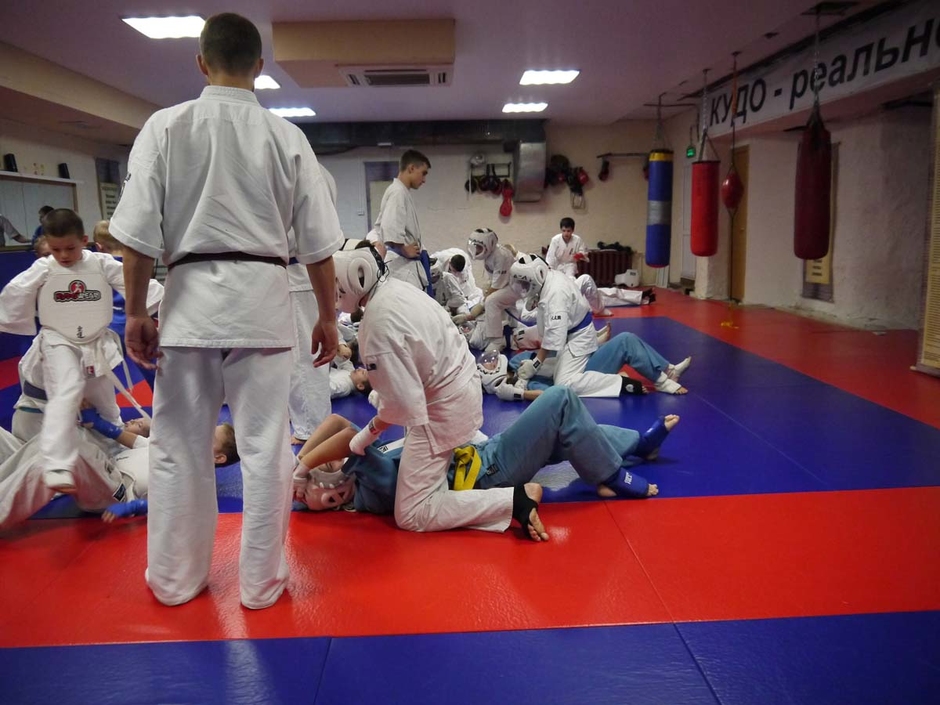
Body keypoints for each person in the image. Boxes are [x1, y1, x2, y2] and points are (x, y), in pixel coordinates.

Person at [108, 13, 343, 610]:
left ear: (201, 62)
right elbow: (318, 247)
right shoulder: (287, 138)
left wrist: (134, 312)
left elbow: (136, 237)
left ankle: (174, 579)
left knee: (178, 446)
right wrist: (327, 317)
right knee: (266, 448)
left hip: (189, 304)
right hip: (263, 303)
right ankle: (261, 585)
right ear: (260, 67)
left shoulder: (165, 126)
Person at [331, 247, 549, 541]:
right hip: (460, 388)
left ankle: (514, 499)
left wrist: (365, 435)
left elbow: (402, 406)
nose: (333, 292)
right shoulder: (397, 289)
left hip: (443, 406)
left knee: (412, 512)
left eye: (334, 283)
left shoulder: (377, 323)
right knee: (428, 456)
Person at [292, 386, 673, 518]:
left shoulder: (362, 468)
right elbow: (346, 437)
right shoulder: (371, 486)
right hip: (491, 471)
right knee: (560, 399)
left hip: (484, 453)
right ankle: (609, 475)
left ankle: (638, 445)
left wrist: (298, 466)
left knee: (565, 434)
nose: (333, 493)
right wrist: (305, 470)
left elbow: (336, 422)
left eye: (325, 492)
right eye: (332, 501)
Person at [0, 209, 132, 491]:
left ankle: (116, 458)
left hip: (94, 345)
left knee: (107, 409)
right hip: (39, 404)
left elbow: (134, 282)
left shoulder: (99, 264)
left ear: (84, 241)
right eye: (55, 250)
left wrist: (158, 306)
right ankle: (56, 464)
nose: (62, 256)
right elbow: (14, 293)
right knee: (67, 390)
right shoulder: (44, 272)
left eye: (69, 249)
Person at [0, 411, 238, 532]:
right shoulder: (169, 447)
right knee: (59, 439)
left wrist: (133, 507)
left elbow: (167, 503)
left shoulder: (193, 478)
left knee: (73, 453)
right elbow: (126, 438)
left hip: (117, 491)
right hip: (106, 471)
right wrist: (97, 422)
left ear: (217, 457)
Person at [507, 255, 649, 397]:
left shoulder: (555, 293)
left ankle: (619, 382)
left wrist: (535, 364)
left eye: (525, 283)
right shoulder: (548, 280)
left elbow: (553, 336)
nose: (523, 287)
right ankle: (595, 346)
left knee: (563, 384)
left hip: (575, 337)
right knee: (534, 365)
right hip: (567, 335)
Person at [287, 164, 340, 443]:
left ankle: (312, 430)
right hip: (303, 272)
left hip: (299, 270)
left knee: (304, 358)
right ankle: (311, 425)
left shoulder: (299, 170)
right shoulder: (322, 172)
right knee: (300, 358)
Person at [484, 332, 693, 400]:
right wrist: (519, 393)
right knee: (625, 342)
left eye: (491, 360)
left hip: (579, 361)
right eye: (490, 365)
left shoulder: (518, 360)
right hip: (584, 375)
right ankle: (662, 381)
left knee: (626, 338)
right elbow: (551, 394)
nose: (492, 361)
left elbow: (554, 354)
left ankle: (669, 370)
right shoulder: (524, 384)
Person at [93, 219, 163, 390]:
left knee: (94, 374)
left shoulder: (97, 264)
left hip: (111, 327)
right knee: (154, 370)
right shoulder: (138, 264)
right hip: (141, 323)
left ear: (99, 246)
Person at [369, 150, 432, 291]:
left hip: (405, 266)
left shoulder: (401, 191)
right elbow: (390, 228)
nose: (424, 180)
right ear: (411, 168)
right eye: (423, 173)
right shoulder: (397, 192)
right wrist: (404, 249)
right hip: (401, 267)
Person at [457, 228, 520, 352]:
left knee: (492, 301)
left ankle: (497, 341)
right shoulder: (489, 256)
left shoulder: (501, 256)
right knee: (495, 304)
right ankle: (510, 333)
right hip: (507, 286)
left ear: (489, 244)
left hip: (515, 287)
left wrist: (477, 309)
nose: (476, 250)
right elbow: (493, 283)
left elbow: (496, 287)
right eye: (475, 246)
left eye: (479, 247)